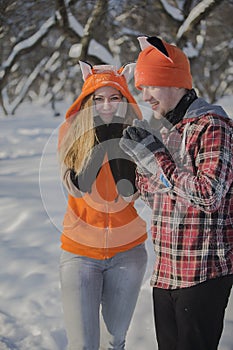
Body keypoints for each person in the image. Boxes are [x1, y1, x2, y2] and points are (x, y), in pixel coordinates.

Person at [120, 35, 233, 350]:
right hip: (167, 271)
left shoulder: (213, 126)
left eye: (150, 86)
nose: (145, 97)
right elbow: (159, 195)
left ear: (174, 82)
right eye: (141, 88)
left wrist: (157, 161)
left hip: (203, 272)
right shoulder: (166, 130)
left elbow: (209, 194)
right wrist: (138, 169)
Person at [58, 61, 148, 350]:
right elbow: (76, 185)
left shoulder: (137, 133)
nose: (106, 105)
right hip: (80, 253)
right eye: (98, 99)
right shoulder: (71, 132)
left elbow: (129, 193)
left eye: (114, 98)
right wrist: (100, 136)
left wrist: (121, 139)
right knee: (83, 345)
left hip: (128, 253)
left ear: (124, 100)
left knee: (115, 341)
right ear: (88, 101)